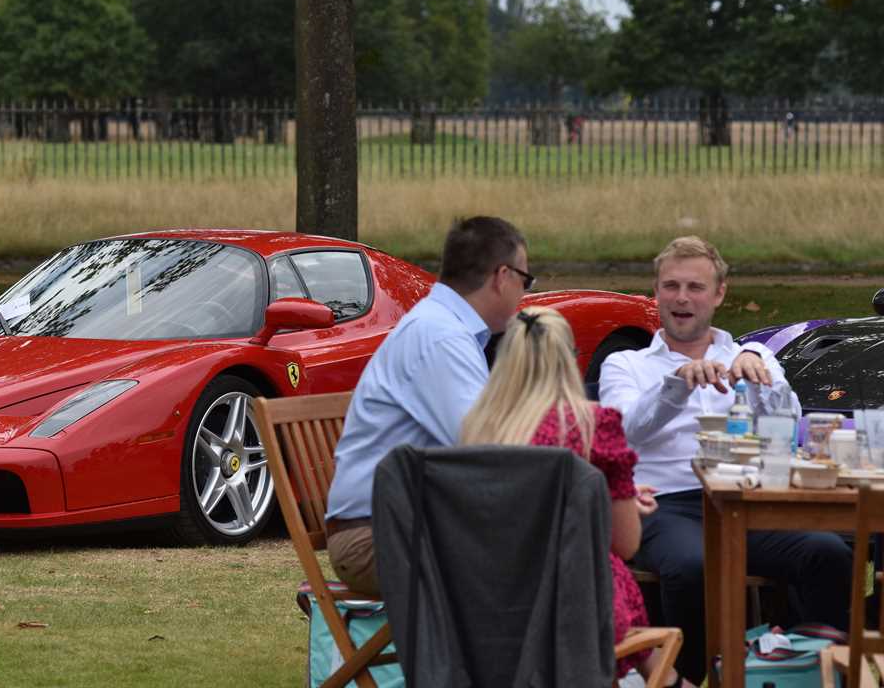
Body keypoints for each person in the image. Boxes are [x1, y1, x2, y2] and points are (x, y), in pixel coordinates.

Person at [600, 236, 852, 685]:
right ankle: (693, 678)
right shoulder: (627, 363)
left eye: (695, 287)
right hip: (665, 503)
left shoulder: (752, 356)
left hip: (745, 500)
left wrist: (763, 383)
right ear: (655, 292)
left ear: (718, 294)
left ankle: (807, 672)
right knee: (694, 565)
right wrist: (675, 386)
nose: (681, 297)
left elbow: (788, 422)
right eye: (671, 286)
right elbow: (625, 430)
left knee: (827, 552)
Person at [461, 306, 687, 686]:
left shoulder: (477, 428)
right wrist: (624, 503)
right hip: (573, 607)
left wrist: (612, 496)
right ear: (571, 361)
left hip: (482, 604)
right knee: (607, 570)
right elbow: (626, 543)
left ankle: (667, 679)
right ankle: (670, 680)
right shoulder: (590, 427)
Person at [324, 215, 531, 596]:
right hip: (376, 538)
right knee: (535, 559)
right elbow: (485, 449)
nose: (524, 294)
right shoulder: (440, 337)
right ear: (502, 277)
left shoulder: (444, 328)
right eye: (525, 280)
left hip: (401, 525)